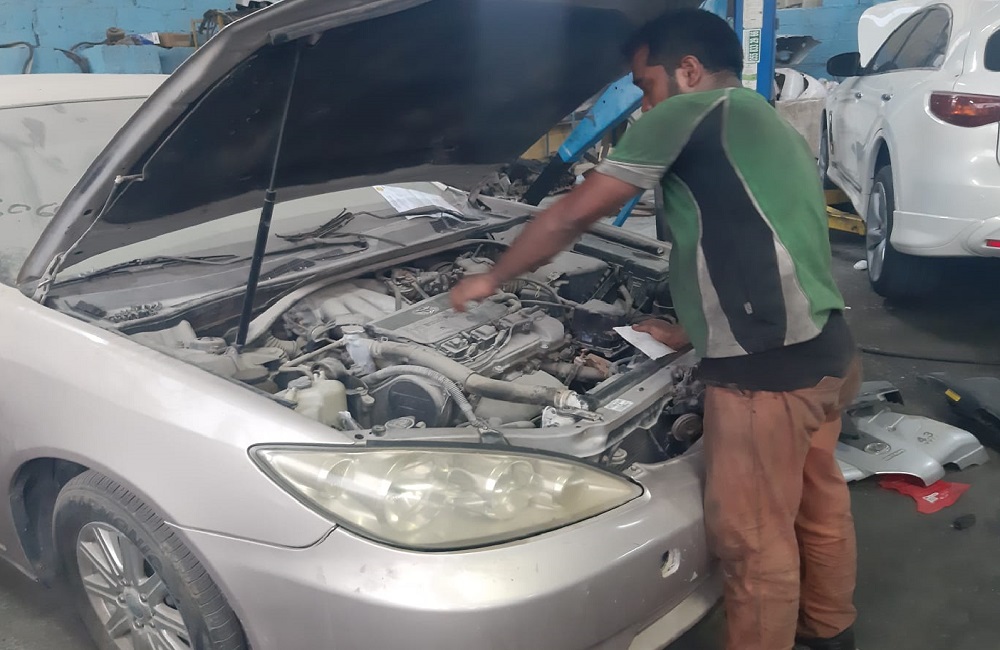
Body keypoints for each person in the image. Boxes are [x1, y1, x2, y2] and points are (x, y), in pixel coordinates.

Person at [449, 8, 861, 650]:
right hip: (827, 350)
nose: (644, 104)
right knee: (817, 500)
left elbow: (570, 217)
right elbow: (762, 238)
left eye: (646, 85)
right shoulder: (759, 117)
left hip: (766, 374)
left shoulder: (690, 112)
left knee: (752, 542)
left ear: (688, 70)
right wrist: (690, 330)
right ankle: (830, 630)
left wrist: (491, 278)